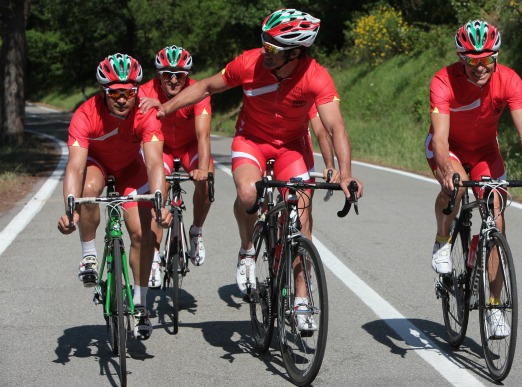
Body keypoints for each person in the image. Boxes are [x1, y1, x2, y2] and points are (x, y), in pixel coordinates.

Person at [140, 8, 363, 330]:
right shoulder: (248, 63)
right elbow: (205, 88)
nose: (264, 52)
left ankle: (301, 299)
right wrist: (165, 108)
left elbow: (335, 127)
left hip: (292, 148)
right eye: (264, 43)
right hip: (251, 141)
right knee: (247, 194)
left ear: (295, 53)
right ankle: (247, 251)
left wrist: (344, 173)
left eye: (272, 48)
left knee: (301, 226)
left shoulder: (316, 76)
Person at [425, 20, 522, 339]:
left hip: (485, 151)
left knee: (495, 220)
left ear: (495, 56)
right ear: (461, 58)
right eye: (471, 60)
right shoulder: (443, 81)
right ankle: (442, 242)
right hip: (449, 148)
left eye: (486, 59)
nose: (479, 67)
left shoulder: (509, 80)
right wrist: (445, 173)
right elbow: (440, 139)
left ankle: (495, 306)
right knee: (455, 187)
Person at [57, 53, 171, 340]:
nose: (122, 99)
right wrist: (71, 209)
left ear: (137, 91)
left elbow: (156, 163)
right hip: (98, 165)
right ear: (102, 91)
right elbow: (75, 165)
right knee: (90, 190)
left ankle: (141, 303)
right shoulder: (85, 114)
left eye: (129, 93)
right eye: (115, 93)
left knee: (141, 235)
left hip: (131, 170)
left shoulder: (146, 113)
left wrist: (159, 202)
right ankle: (89, 256)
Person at [139, 45, 214, 288]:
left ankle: (196, 231)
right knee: (155, 195)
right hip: (162, 148)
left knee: (207, 180)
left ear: (187, 75)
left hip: (189, 146)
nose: (173, 79)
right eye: (167, 74)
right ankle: (153, 257)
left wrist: (202, 168)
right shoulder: (144, 92)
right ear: (158, 74)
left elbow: (203, 135)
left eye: (179, 74)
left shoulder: (197, 92)